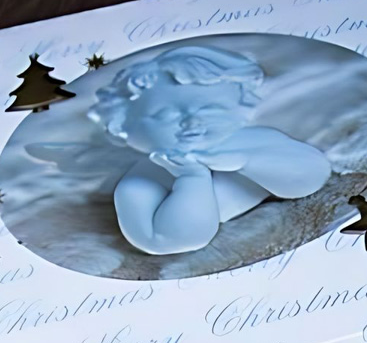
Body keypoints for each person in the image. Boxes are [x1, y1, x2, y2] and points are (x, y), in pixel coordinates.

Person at [87, 44, 332, 255]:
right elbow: (164, 241)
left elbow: (311, 176)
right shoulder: (138, 185)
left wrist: (246, 161)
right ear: (122, 126)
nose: (193, 122)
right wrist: (192, 180)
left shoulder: (255, 141)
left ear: (241, 108)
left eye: (211, 110)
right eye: (166, 114)